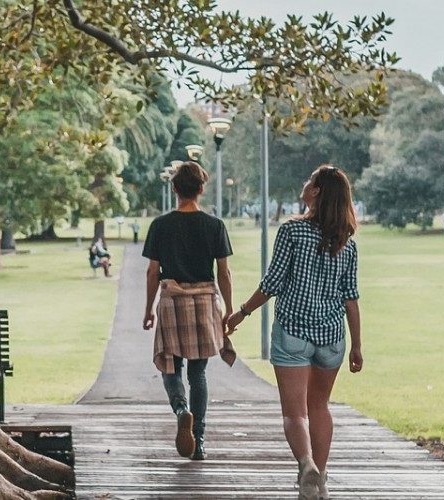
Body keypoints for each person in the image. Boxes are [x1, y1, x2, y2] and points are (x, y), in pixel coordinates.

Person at [227, 165, 363, 500]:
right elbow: (351, 299)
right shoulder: (347, 241)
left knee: (294, 412)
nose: (304, 184)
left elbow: (272, 284)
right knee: (320, 407)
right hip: (331, 336)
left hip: (292, 333)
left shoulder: (292, 231)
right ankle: (322, 478)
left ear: (315, 192)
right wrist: (356, 346)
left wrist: (241, 313)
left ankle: (306, 466)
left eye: (309, 182)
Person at [142, 161, 236, 461]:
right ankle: (199, 440)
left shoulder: (160, 225)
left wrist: (148, 309)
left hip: (172, 302)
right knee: (199, 373)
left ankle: (181, 410)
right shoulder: (214, 225)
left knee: (169, 366)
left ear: (174, 189)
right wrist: (229, 310)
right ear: (201, 189)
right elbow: (224, 272)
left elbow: (152, 272)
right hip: (204, 302)